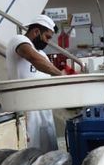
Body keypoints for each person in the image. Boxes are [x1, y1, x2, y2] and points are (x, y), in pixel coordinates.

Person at [5, 14, 63, 152]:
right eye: (47, 37)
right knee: (29, 153)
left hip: (44, 111)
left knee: (48, 154)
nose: (48, 42)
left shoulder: (42, 54)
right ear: (36, 31)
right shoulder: (18, 40)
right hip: (26, 111)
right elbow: (33, 58)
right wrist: (61, 75)